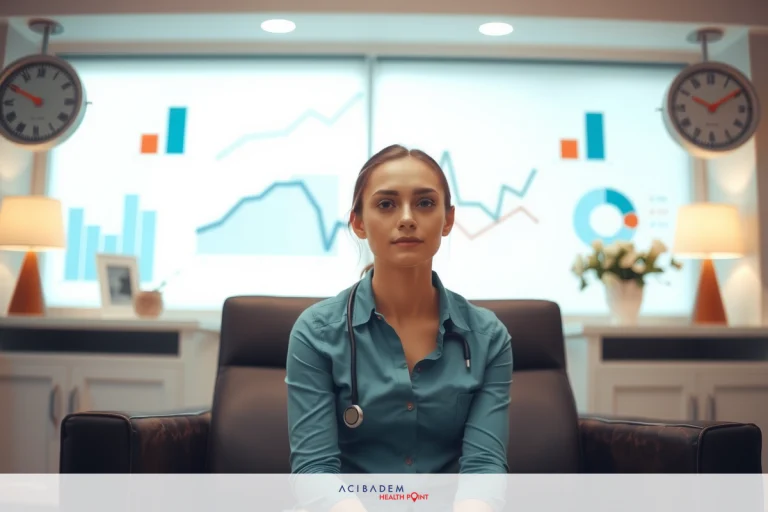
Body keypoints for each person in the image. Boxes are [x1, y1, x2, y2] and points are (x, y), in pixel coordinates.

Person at [286, 144, 513, 512]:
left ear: (448, 219)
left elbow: (484, 467)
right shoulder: (316, 332)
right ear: (358, 222)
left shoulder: (488, 338)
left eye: (424, 203)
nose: (407, 218)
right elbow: (315, 469)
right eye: (386, 204)